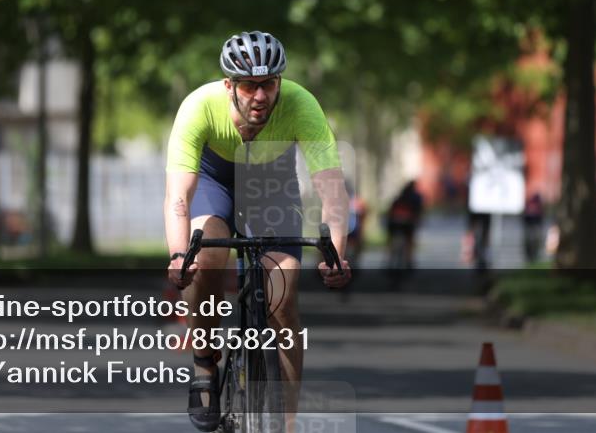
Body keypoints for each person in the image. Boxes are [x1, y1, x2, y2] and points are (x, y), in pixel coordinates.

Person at [163, 30, 351, 432]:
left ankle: (286, 423)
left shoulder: (302, 106)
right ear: (229, 85)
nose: (260, 96)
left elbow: (332, 190)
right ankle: (204, 363)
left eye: (269, 84)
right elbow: (179, 196)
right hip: (215, 182)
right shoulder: (198, 107)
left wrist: (335, 253)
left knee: (283, 291)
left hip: (272, 184)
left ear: (280, 81)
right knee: (207, 256)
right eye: (249, 85)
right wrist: (179, 256)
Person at [385, 179, 424, 271]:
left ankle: (389, 260)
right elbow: (418, 212)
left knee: (391, 240)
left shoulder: (399, 197)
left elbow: (390, 212)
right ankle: (409, 260)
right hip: (408, 223)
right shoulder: (416, 197)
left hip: (394, 223)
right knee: (409, 240)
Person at [522, 192, 544, 263]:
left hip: (536, 221)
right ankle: (529, 256)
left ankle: (534, 255)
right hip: (529, 221)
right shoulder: (527, 197)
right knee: (529, 239)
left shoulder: (537, 198)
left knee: (535, 238)